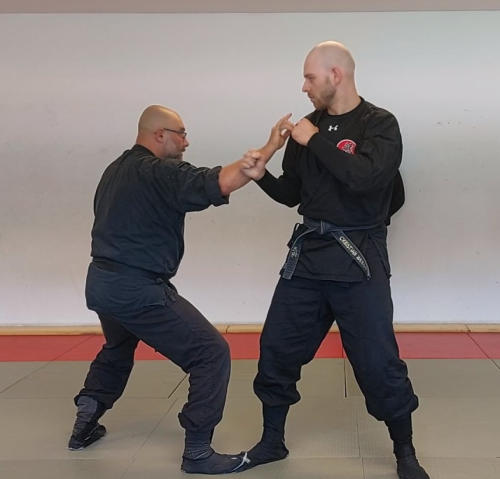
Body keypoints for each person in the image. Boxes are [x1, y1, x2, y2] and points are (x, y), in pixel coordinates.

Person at [238, 42, 430, 479]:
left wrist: (315, 140)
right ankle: (272, 441)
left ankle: (405, 451)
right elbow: (292, 194)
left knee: (377, 360)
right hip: (309, 255)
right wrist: (261, 177)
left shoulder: (378, 124)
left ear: (335, 75)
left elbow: (368, 179)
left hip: (360, 256)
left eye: (310, 77)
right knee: (277, 347)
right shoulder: (309, 129)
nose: (304, 86)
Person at [68, 105, 289, 475]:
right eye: (181, 134)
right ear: (160, 135)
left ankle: (85, 419)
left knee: (118, 346)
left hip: (102, 283)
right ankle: (198, 452)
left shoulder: (115, 169)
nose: (186, 142)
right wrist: (270, 147)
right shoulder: (160, 172)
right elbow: (221, 181)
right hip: (137, 288)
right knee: (211, 353)